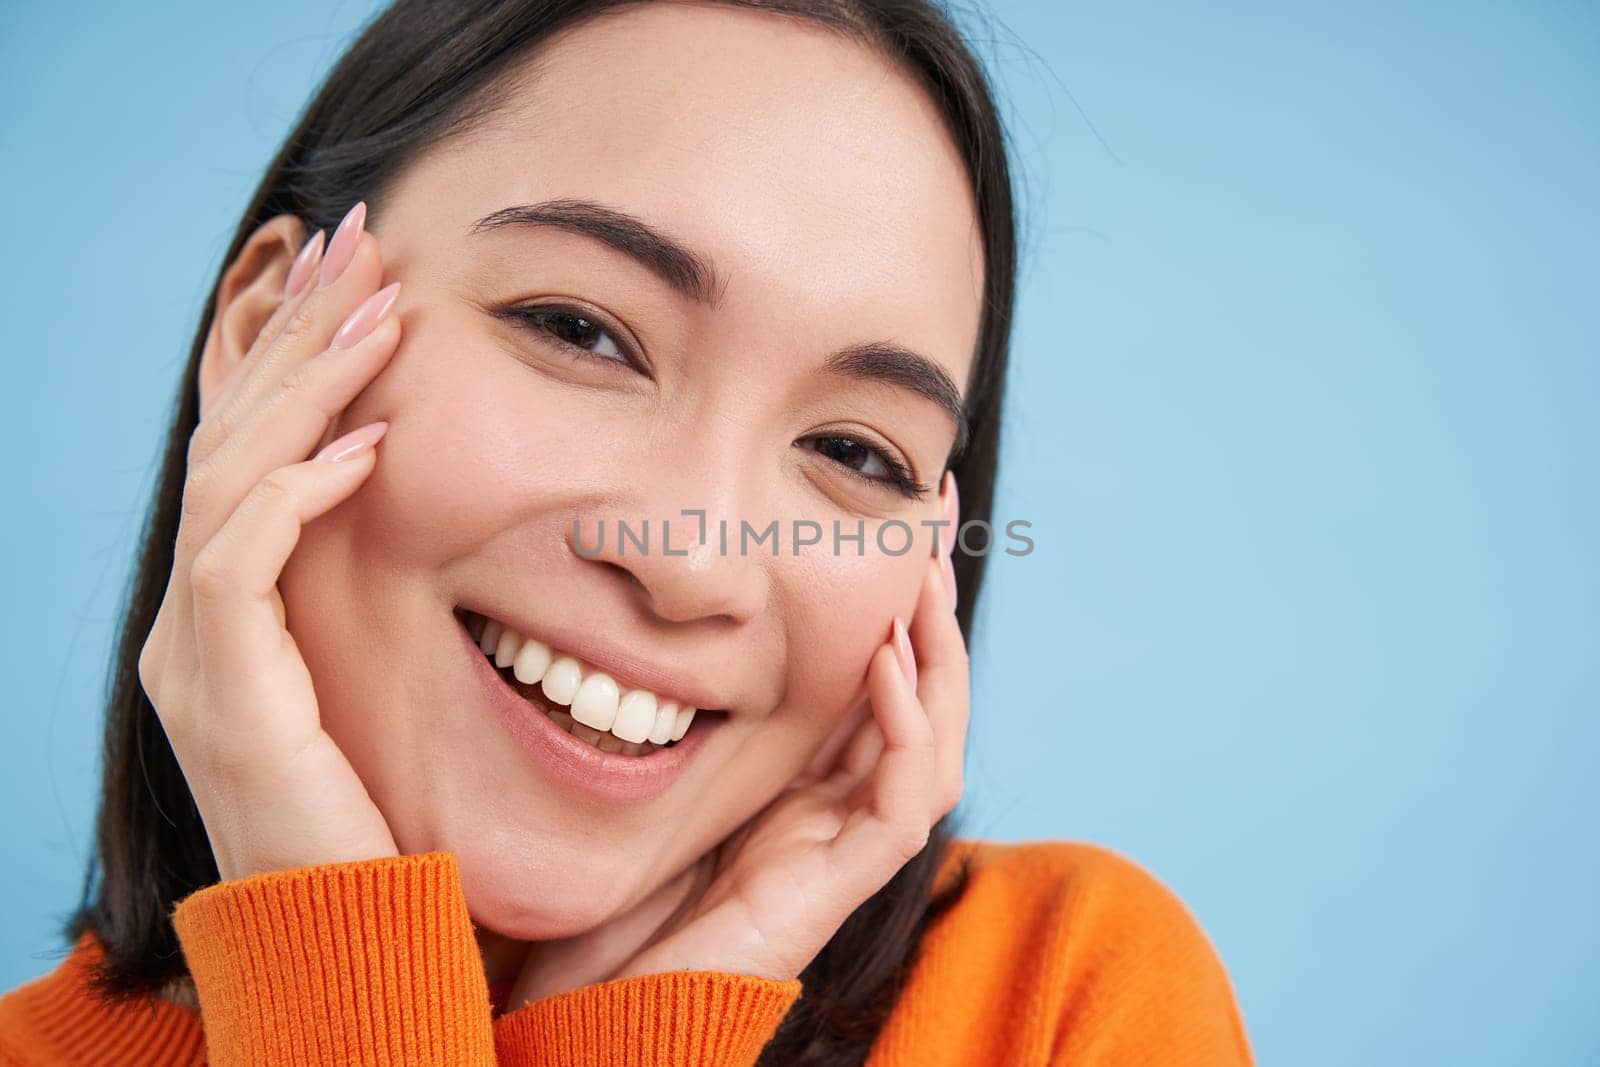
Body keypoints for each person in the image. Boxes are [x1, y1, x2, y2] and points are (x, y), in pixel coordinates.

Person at [0, 1, 1253, 1063]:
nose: (692, 561)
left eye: (853, 451)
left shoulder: (1056, 998)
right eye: (580, 329)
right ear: (272, 327)